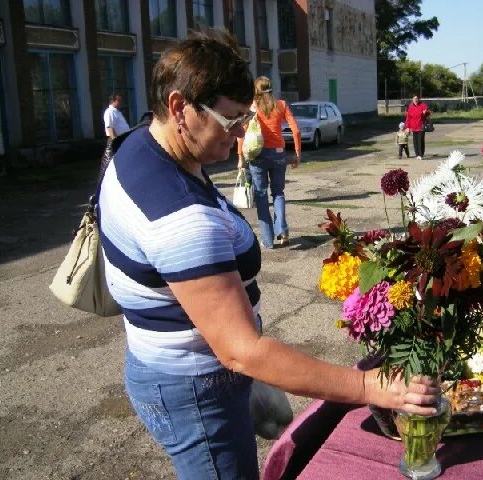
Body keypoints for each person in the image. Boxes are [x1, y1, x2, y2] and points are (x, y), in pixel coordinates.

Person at [98, 30, 439, 480]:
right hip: (197, 387)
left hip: (162, 363)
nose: (243, 132)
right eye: (231, 120)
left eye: (245, 118)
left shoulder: (141, 144)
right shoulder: (180, 217)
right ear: (180, 107)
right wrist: (365, 385)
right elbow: (241, 351)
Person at [236, 77, 301, 249]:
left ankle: (267, 240)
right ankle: (283, 231)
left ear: (255, 91)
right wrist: (297, 153)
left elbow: (241, 132)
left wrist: (240, 157)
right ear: (271, 89)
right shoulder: (281, 105)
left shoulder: (252, 108)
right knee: (278, 193)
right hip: (279, 154)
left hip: (257, 156)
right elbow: (296, 130)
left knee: (261, 195)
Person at [405, 94, 430, 161]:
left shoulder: (423, 105)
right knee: (415, 141)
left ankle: (421, 154)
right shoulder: (410, 107)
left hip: (421, 126)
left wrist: (426, 112)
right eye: (414, 99)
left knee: (420, 141)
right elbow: (408, 118)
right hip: (413, 127)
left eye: (416, 99)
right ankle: (417, 154)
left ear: (419, 99)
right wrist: (407, 127)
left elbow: (428, 113)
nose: (415, 100)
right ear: (412, 99)